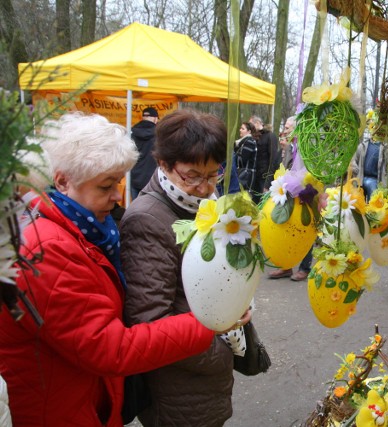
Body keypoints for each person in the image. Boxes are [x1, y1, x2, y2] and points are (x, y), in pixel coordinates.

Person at [0, 113, 242, 426]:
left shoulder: (83, 230)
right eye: (105, 187)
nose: (117, 196)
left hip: (83, 398)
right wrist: (213, 324)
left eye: (118, 183)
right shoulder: (48, 250)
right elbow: (112, 347)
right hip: (61, 408)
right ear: (62, 181)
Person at [119, 109, 250, 426]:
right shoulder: (146, 220)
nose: (205, 187)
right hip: (179, 384)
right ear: (163, 163)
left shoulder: (201, 202)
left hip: (204, 377)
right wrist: (218, 339)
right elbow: (149, 321)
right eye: (193, 176)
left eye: (213, 174)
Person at [268, 116, 313, 282]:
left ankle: (304, 268)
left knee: (304, 228)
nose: (285, 130)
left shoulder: (306, 145)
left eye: (288, 127)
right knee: (286, 227)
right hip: (286, 192)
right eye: (285, 127)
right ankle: (286, 266)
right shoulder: (286, 146)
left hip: (304, 192)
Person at [130, 107, 159, 200]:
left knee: (135, 207)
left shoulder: (132, 132)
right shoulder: (160, 134)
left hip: (134, 178)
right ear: (155, 119)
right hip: (152, 180)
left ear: (143, 118)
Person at [250, 115, 280, 203]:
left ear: (257, 123)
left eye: (251, 125)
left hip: (265, 178)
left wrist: (267, 183)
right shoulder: (254, 137)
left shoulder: (270, 136)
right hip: (255, 178)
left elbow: (273, 160)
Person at [351, 134, 387, 201]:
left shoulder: (385, 148)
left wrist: (386, 181)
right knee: (358, 202)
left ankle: (372, 210)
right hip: (360, 178)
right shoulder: (362, 146)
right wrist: (354, 170)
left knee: (373, 201)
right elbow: (354, 160)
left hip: (375, 180)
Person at [235, 121, 259, 197]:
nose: (240, 130)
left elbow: (242, 160)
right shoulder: (243, 142)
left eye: (243, 128)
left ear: (249, 131)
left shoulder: (249, 142)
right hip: (243, 173)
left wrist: (234, 155)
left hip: (246, 175)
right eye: (240, 128)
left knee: (245, 198)